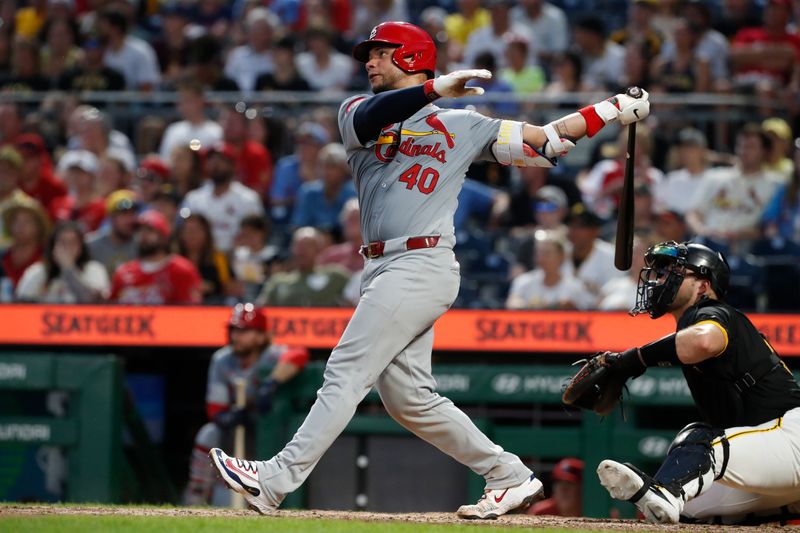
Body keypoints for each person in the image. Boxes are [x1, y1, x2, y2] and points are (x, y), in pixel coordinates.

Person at [209, 20, 650, 518]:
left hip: (422, 260)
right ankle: (510, 476)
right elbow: (386, 110)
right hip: (382, 265)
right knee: (409, 400)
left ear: (412, 56)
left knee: (346, 370)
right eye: (368, 55)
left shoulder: (463, 124)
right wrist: (434, 88)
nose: (369, 62)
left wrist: (611, 110)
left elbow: (547, 143)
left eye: (380, 53)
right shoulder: (357, 111)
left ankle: (273, 480)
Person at [594, 240, 800, 525]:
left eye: (673, 271)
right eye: (662, 271)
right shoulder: (692, 323)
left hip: (790, 437)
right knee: (688, 510)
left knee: (699, 438)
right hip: (772, 461)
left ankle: (664, 489)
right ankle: (668, 493)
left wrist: (636, 358)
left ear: (703, 286)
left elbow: (704, 341)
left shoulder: (714, 312)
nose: (661, 279)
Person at [185, 303, 309, 507]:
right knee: (208, 433)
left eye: (244, 331)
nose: (236, 336)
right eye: (234, 330)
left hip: (269, 432)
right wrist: (230, 416)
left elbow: (298, 355)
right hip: (236, 431)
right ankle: (197, 493)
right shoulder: (222, 359)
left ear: (261, 336)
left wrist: (271, 383)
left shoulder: (272, 354)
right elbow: (215, 410)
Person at [182, 142, 265, 253]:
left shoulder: (248, 199)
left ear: (232, 165)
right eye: (212, 160)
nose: (216, 164)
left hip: (236, 259)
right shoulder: (194, 198)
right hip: (202, 259)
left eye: (221, 160)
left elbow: (257, 235)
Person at [109, 210, 202, 305]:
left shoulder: (182, 271)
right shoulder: (123, 273)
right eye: (139, 230)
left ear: (163, 236)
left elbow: (191, 312)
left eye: (150, 230)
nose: (143, 235)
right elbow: (110, 309)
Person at [255, 226, 350, 307]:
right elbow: (260, 309)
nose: (301, 250)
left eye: (308, 245)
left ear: (319, 249)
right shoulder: (278, 282)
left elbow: (357, 298)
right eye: (297, 245)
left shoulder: (335, 276)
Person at [16, 221, 109, 303]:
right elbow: (21, 302)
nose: (67, 247)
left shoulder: (94, 269)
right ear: (53, 247)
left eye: (72, 242)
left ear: (81, 248)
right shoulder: (37, 271)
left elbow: (93, 301)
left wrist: (68, 268)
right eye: (62, 242)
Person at [86, 189, 139, 277]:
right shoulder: (91, 245)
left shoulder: (141, 245)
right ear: (111, 218)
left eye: (132, 214)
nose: (130, 220)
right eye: (124, 214)